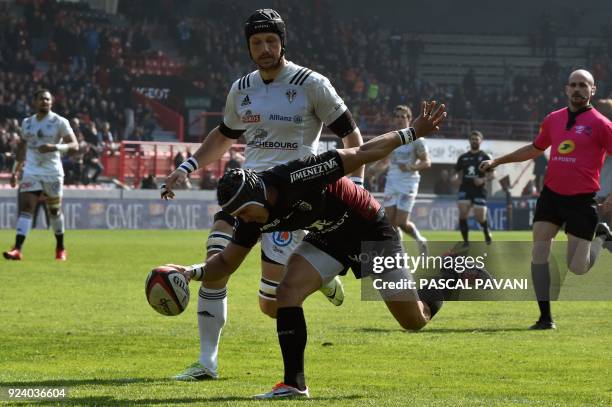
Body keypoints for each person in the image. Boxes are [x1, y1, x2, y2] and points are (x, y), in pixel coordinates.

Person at [170, 102, 448, 399]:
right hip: (329, 236)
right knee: (287, 291)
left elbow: (361, 152)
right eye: (240, 216)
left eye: (247, 213)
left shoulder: (298, 175)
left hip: (369, 230)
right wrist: (190, 272)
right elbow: (225, 263)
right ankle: (294, 384)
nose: (245, 222)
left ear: (261, 196)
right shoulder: (249, 216)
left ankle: (448, 272)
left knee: (413, 320)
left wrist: (412, 132)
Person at [161, 9, 365, 381]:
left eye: (271, 40)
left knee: (270, 305)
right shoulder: (242, 89)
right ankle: (207, 362)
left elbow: (352, 139)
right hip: (245, 193)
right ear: (248, 47)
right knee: (215, 268)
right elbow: (224, 135)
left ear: (283, 42)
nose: (265, 48)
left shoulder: (311, 83)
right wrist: (187, 167)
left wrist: (358, 189)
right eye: (257, 43)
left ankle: (318, 277)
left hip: (290, 201)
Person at [480, 69, 612, 329]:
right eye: (573, 85)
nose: (577, 89)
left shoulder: (602, 124)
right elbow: (534, 149)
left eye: (583, 85)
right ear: (566, 89)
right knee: (539, 251)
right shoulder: (553, 119)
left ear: (592, 90)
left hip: (582, 200)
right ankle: (545, 318)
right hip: (551, 196)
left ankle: (601, 235)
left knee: (578, 267)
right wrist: (497, 161)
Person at [3, 89, 78, 261]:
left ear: (51, 103)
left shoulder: (60, 122)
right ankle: (18, 249)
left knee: (54, 211)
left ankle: (60, 247)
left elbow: (74, 146)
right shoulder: (27, 123)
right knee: (27, 207)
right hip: (32, 172)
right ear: (35, 102)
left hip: (52, 172)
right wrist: (15, 171)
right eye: (41, 99)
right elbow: (21, 149)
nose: (45, 102)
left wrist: (56, 147)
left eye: (48, 99)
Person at [370, 105, 430, 253]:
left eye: (403, 116)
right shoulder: (392, 138)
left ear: (409, 119)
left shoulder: (417, 140)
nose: (399, 119)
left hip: (408, 183)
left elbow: (426, 162)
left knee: (401, 222)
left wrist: (410, 167)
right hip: (391, 182)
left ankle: (420, 240)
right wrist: (373, 172)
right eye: (397, 116)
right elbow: (385, 161)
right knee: (390, 223)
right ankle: (400, 254)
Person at [452, 131, 495, 246]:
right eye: (472, 139)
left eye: (476, 139)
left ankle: (486, 231)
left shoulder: (485, 157)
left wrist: (483, 180)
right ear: (469, 141)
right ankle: (466, 241)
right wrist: (455, 178)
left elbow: (492, 175)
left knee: (480, 216)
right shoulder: (463, 157)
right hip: (465, 188)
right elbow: (456, 172)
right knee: (462, 214)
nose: (474, 141)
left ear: (481, 141)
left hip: (479, 190)